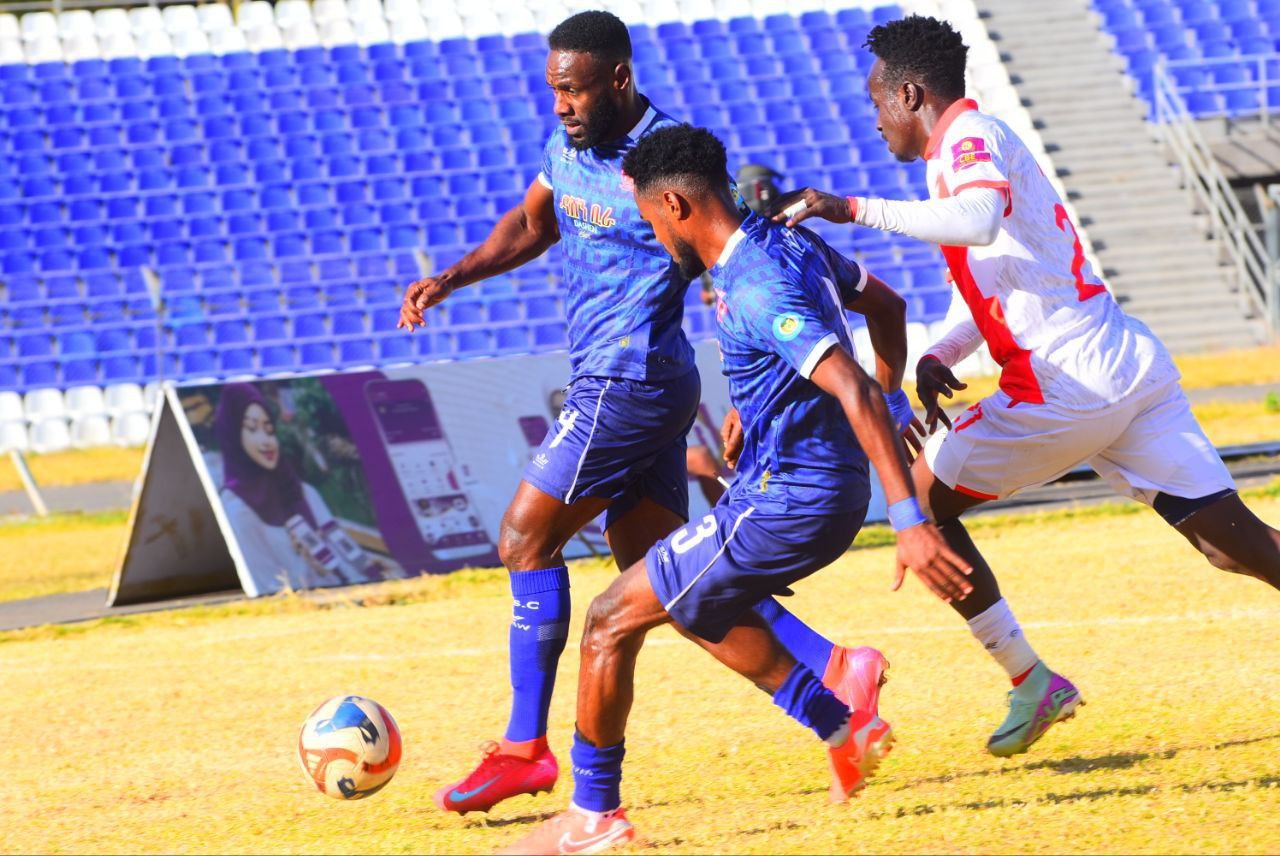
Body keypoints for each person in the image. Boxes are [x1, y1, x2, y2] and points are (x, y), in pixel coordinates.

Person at [396, 11, 887, 814]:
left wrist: (758, 393)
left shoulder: (665, 161)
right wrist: (451, 278)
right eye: (554, 90)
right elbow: (532, 223)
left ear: (618, 78)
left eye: (574, 89)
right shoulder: (570, 144)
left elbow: (732, 257)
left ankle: (525, 750)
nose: (561, 104)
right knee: (670, 580)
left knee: (523, 538)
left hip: (630, 381)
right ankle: (834, 682)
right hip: (626, 381)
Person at [770, 15, 1280, 758]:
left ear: (909, 95)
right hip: (1125, 364)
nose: (875, 121)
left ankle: (1029, 678)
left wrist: (849, 208)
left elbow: (977, 221)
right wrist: (940, 352)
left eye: (878, 102)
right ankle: (1030, 679)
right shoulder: (967, 154)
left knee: (917, 500)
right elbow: (998, 277)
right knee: (1235, 547)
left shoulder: (969, 139)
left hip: (1067, 383)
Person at [501, 124, 973, 855]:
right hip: (809, 486)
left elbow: (849, 386)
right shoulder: (788, 242)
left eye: (653, 222)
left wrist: (909, 516)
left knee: (608, 620)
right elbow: (887, 309)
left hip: (792, 496)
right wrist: (766, 407)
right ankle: (841, 727)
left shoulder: (753, 282)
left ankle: (593, 817)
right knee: (694, 602)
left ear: (677, 206)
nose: (657, 242)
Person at [212, 383, 360, 592]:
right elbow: (270, 590)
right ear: (233, 438)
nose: (266, 441)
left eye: (269, 430)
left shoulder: (305, 492)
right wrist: (311, 569)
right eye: (252, 429)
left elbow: (350, 560)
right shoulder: (239, 514)